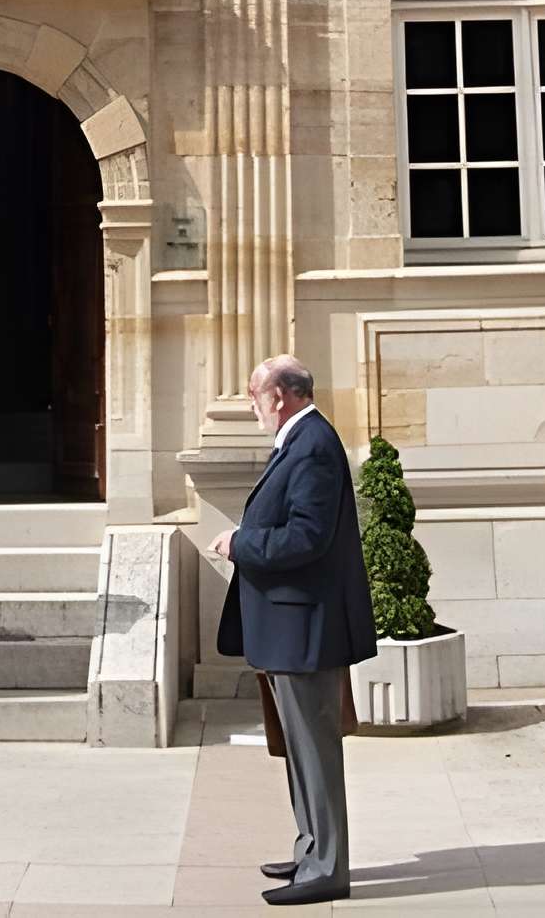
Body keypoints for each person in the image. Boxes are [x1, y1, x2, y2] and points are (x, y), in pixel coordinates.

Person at [211, 355, 376, 907]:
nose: (252, 408)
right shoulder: (301, 442)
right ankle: (311, 851)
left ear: (278, 397)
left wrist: (240, 543)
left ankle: (327, 867)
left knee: (315, 752)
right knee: (300, 752)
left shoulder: (313, 446)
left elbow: (306, 537)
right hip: (290, 626)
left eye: (253, 396)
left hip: (305, 627)